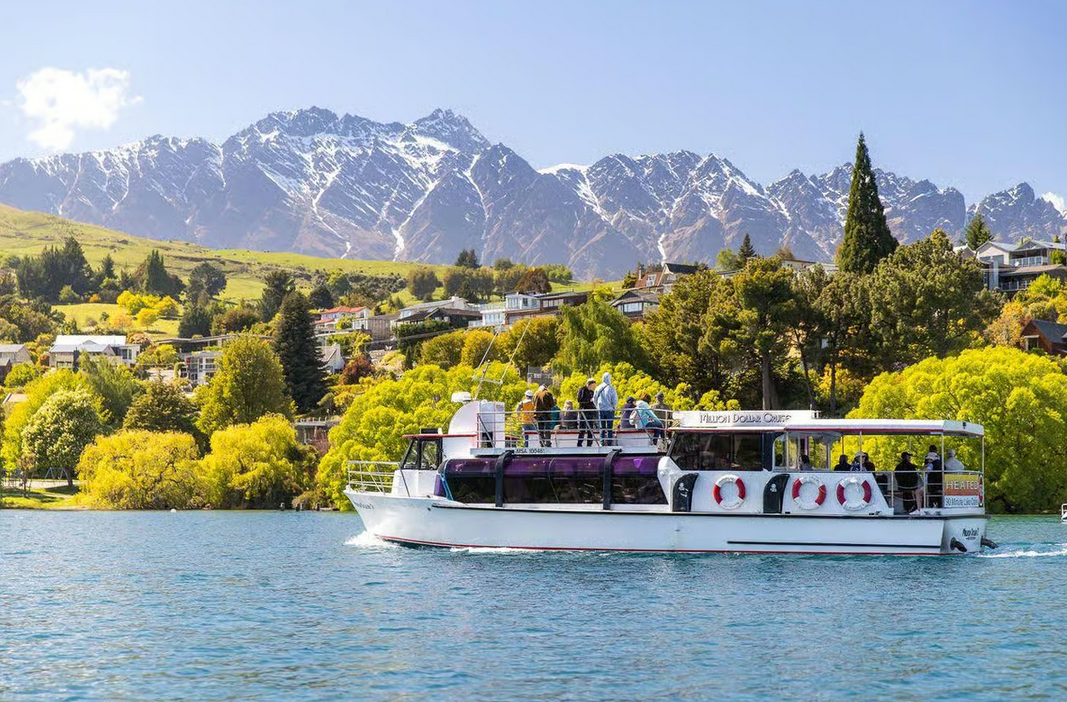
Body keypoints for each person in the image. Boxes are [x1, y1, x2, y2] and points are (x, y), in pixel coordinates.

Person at [593, 372, 618, 446]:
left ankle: (601, 442)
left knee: (602, 427)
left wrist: (597, 406)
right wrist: (614, 407)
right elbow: (614, 400)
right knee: (609, 427)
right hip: (609, 410)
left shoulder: (598, 388)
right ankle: (609, 443)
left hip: (601, 409)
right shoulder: (611, 388)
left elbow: (594, 399)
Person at [576, 377, 597, 447]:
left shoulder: (592, 392)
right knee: (582, 429)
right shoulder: (582, 390)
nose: (594, 387)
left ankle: (589, 444)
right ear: (589, 384)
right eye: (593, 385)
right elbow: (579, 399)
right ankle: (579, 444)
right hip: (584, 411)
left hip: (590, 412)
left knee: (590, 429)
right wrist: (589, 400)